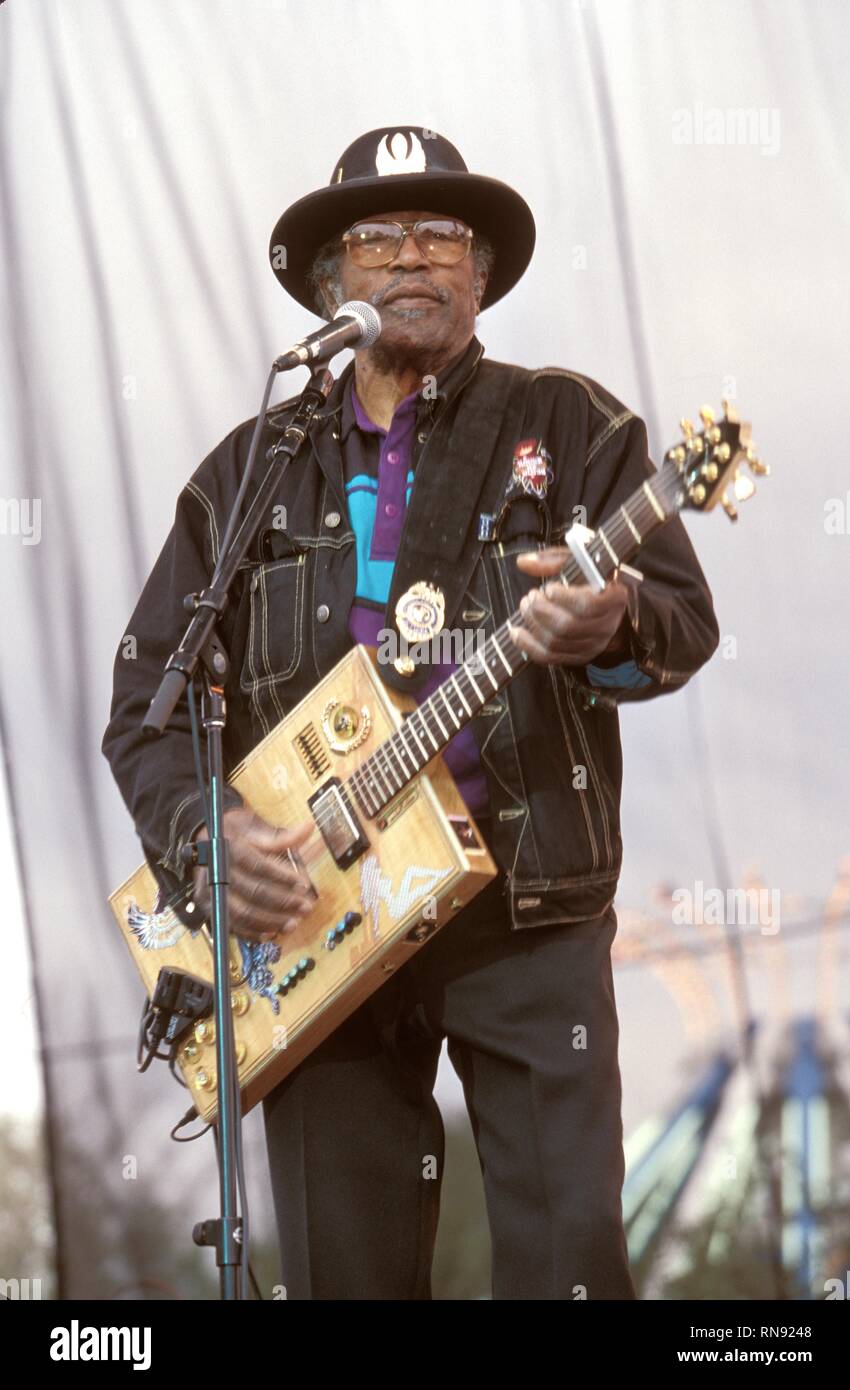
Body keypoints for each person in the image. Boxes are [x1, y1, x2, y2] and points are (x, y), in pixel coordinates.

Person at [102, 125, 720, 1300]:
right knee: (346, 1277)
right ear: (330, 284)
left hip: (525, 915)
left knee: (568, 1264)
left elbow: (682, 625)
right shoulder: (245, 476)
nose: (411, 259)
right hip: (315, 929)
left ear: (481, 275)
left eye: (442, 235)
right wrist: (208, 838)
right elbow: (145, 705)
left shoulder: (571, 426)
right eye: (377, 238)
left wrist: (615, 624)